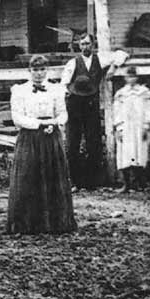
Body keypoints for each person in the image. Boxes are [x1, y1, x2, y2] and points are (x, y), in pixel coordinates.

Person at [7, 55, 76, 235]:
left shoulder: (56, 89)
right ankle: (28, 223)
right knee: (28, 177)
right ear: (29, 71)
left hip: (51, 138)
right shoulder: (20, 90)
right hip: (29, 138)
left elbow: (63, 114)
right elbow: (17, 118)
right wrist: (39, 124)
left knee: (53, 177)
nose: (39, 73)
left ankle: (55, 223)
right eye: (35, 70)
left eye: (42, 69)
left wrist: (53, 123)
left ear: (47, 70)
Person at [57, 33, 110, 190]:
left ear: (93, 44)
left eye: (87, 43)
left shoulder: (101, 59)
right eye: (82, 44)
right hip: (74, 103)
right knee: (73, 142)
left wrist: (112, 69)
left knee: (93, 141)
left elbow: (122, 54)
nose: (85, 46)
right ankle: (75, 181)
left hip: (91, 102)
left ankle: (92, 182)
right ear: (78, 46)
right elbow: (64, 83)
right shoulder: (73, 63)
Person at [110, 66, 150, 190]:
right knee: (125, 154)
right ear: (125, 78)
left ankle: (140, 183)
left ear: (137, 78)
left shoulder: (144, 93)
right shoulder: (121, 94)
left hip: (139, 127)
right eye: (129, 76)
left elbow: (149, 110)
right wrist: (119, 127)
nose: (131, 79)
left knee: (140, 153)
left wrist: (146, 126)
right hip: (125, 127)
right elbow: (117, 112)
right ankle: (126, 183)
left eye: (134, 76)